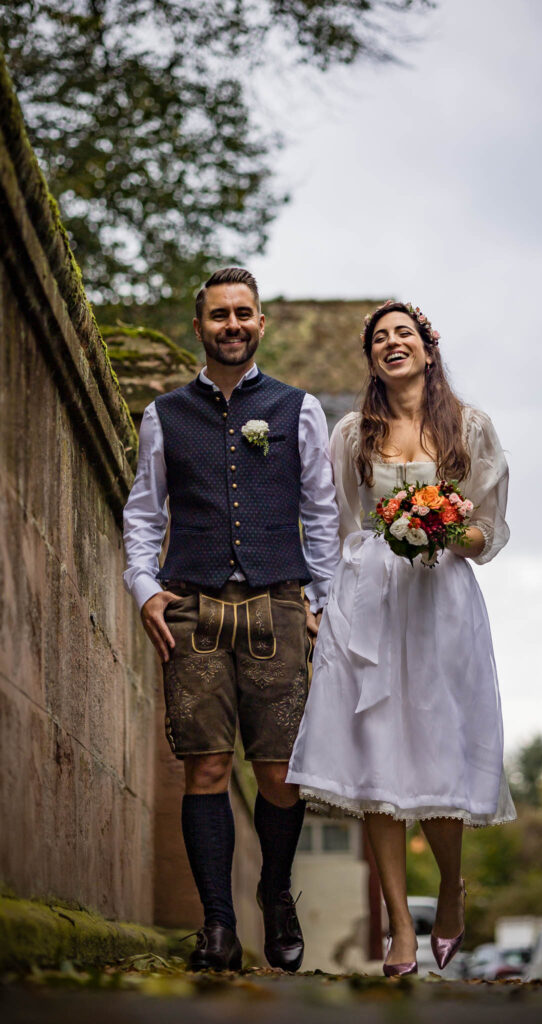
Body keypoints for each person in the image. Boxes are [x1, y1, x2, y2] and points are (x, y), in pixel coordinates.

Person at [287, 300, 516, 976]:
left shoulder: (469, 428)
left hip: (440, 601)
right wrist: (321, 602)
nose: (392, 343)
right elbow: (333, 527)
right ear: (372, 358)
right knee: (376, 762)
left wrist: (444, 526)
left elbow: (488, 534)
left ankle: (449, 886)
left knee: (439, 756)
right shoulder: (352, 432)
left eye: (403, 334)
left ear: (426, 348)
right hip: (368, 605)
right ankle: (397, 930)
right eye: (380, 338)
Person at [122, 267, 340, 972]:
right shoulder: (164, 414)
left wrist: (327, 603)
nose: (232, 325)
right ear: (199, 328)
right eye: (219, 315)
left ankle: (274, 893)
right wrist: (145, 586)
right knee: (206, 766)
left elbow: (321, 512)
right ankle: (217, 926)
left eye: (244, 313)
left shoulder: (298, 408)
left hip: (278, 603)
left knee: (279, 775)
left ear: (260, 323)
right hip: (193, 604)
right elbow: (144, 512)